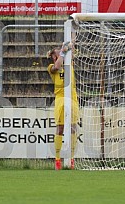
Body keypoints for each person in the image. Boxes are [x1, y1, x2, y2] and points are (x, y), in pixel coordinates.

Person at [47, 42, 79, 170]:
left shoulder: (70, 64)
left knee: (73, 127)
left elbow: (73, 44)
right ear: (55, 56)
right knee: (60, 128)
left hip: (72, 98)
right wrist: (62, 51)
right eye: (58, 53)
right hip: (60, 99)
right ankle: (58, 159)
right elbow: (57, 65)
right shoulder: (52, 67)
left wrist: (71, 35)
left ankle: (71, 158)